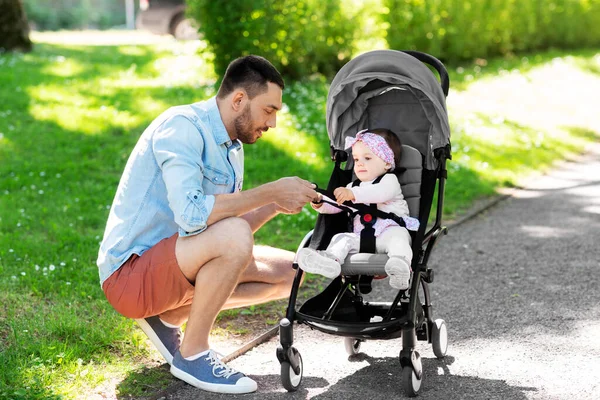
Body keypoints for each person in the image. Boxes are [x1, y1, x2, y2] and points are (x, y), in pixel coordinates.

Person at [96, 55, 318, 394]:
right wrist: (269, 190)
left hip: (178, 264)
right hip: (130, 276)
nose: (273, 123)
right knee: (234, 236)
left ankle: (167, 318)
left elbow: (224, 232)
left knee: (292, 272)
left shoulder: (232, 147)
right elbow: (193, 216)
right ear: (239, 100)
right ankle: (193, 353)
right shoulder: (182, 127)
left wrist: (277, 202)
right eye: (269, 110)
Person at [296, 128, 419, 290]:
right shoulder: (352, 186)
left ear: (387, 162)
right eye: (356, 159)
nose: (359, 163)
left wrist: (352, 194)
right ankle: (330, 260)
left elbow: (378, 194)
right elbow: (339, 206)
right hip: (361, 237)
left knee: (399, 239)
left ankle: (400, 265)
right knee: (342, 238)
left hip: (388, 232)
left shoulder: (390, 180)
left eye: (367, 158)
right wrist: (321, 202)